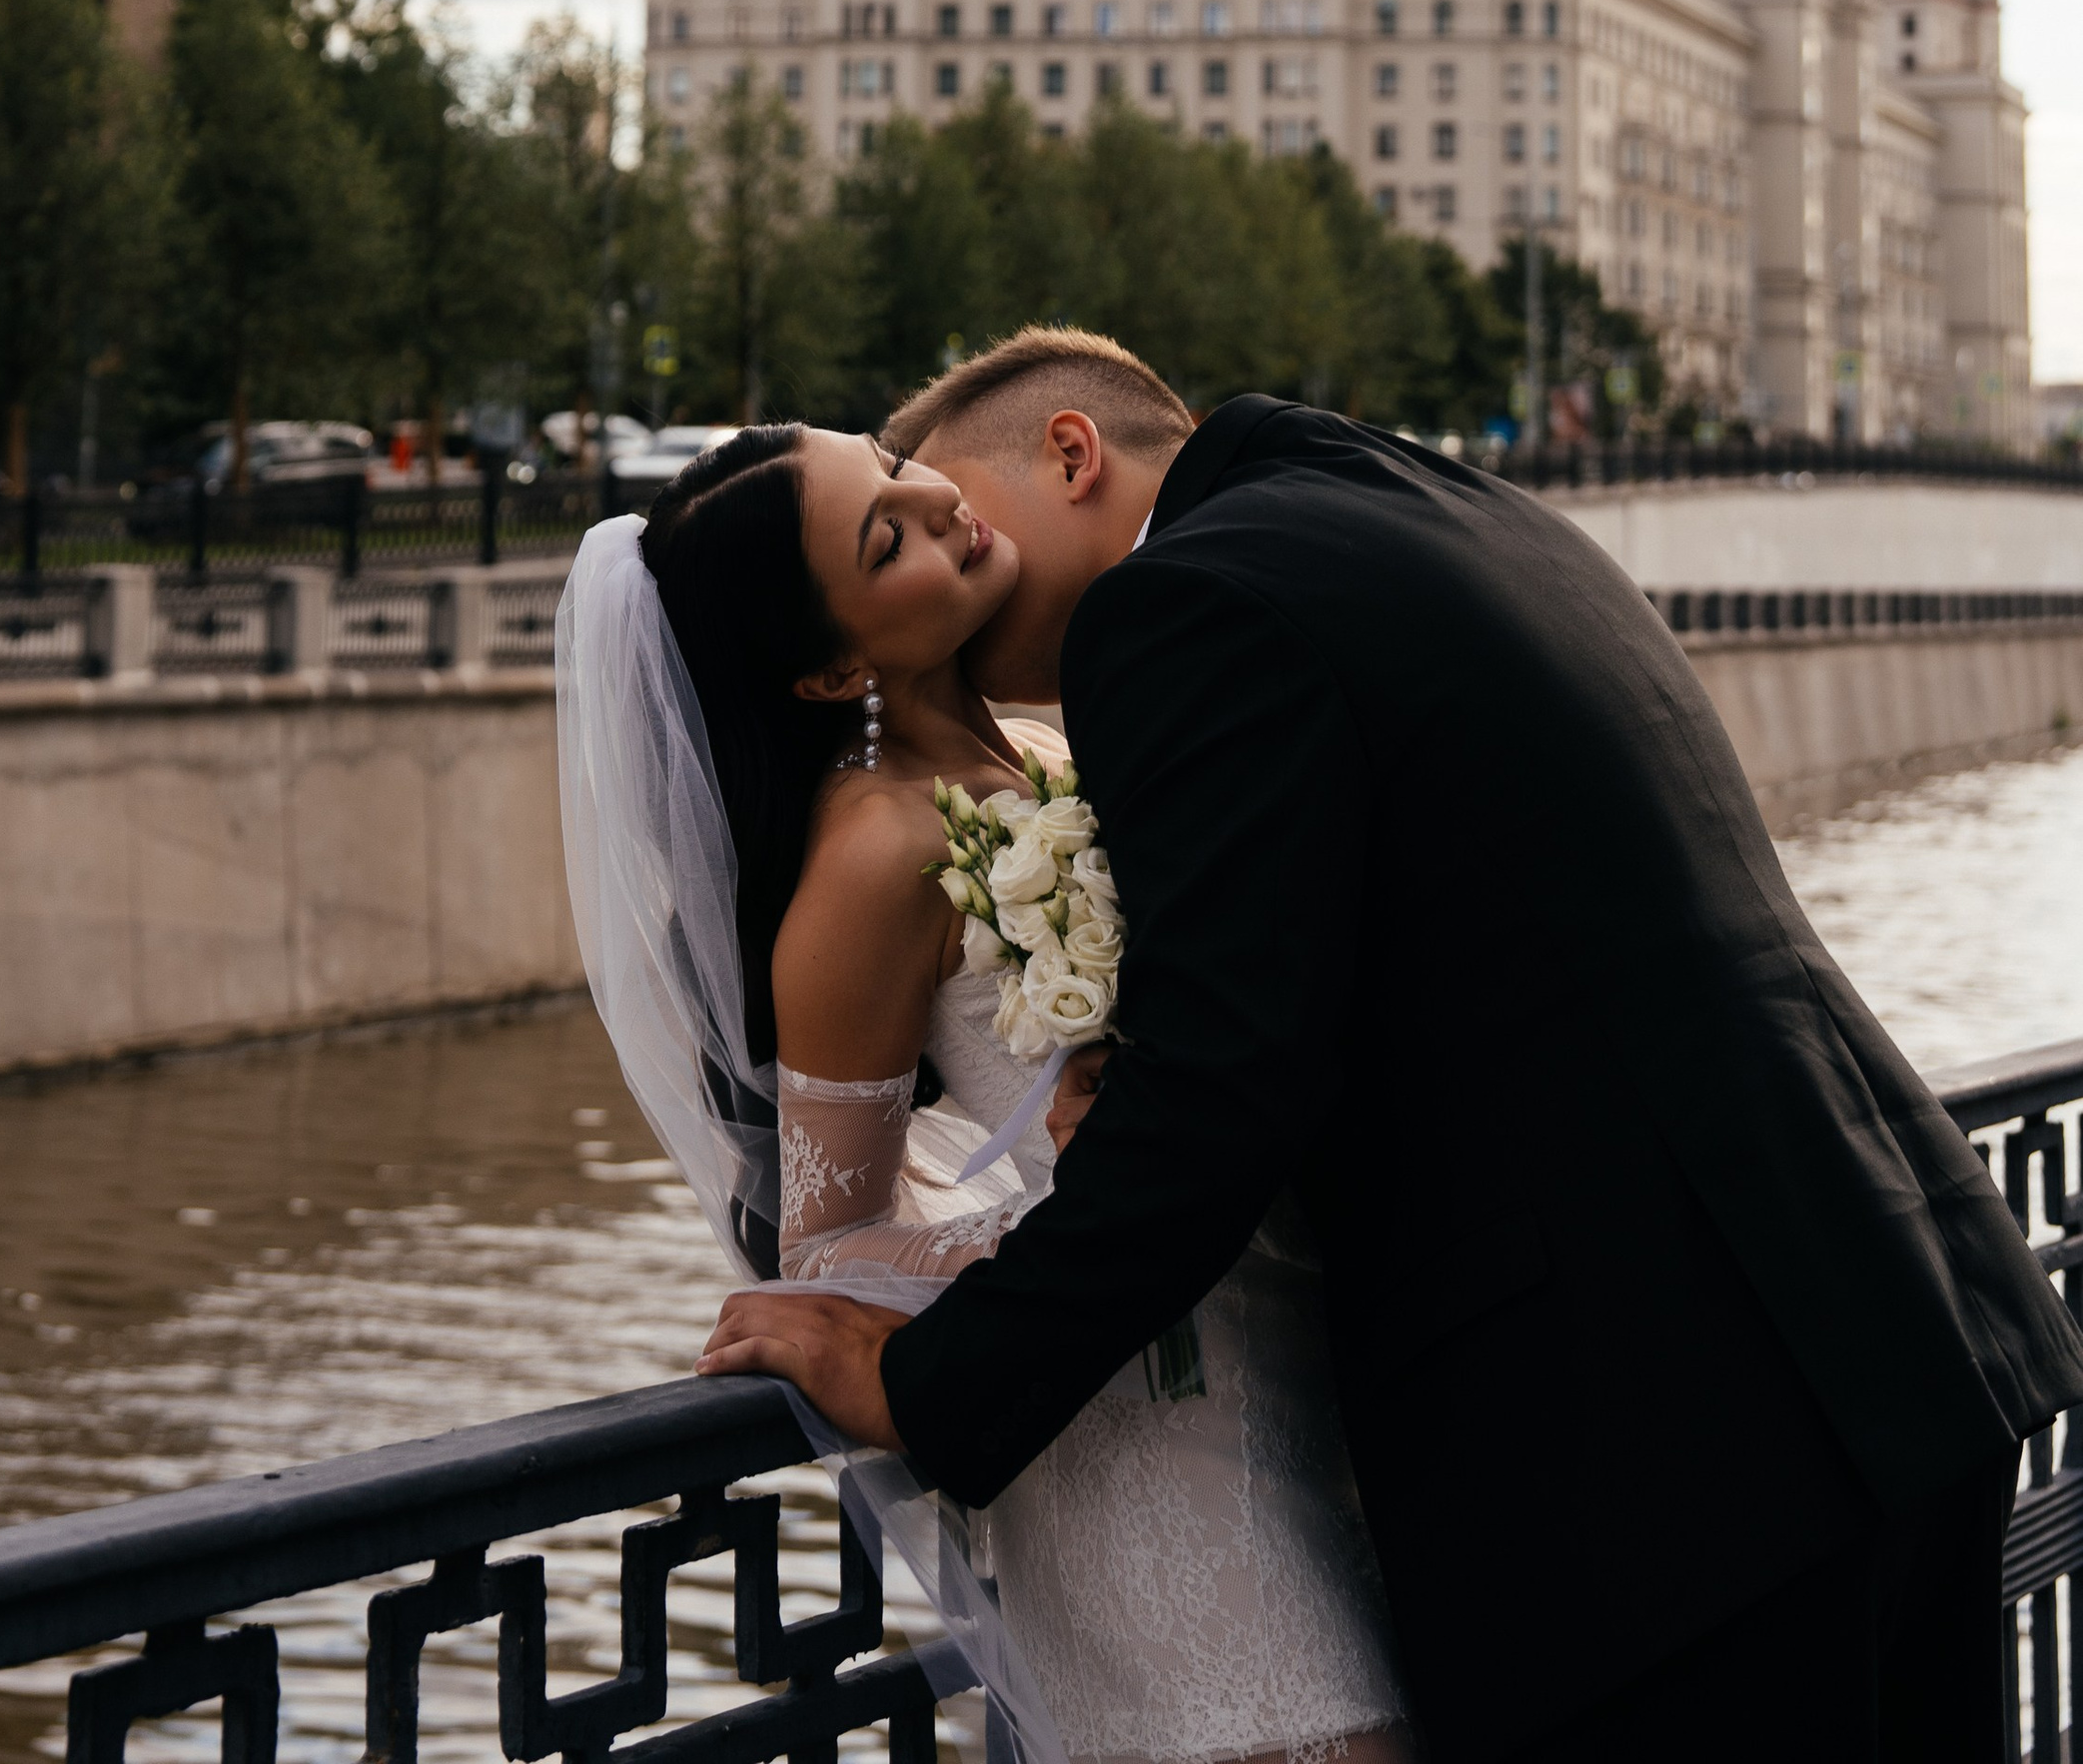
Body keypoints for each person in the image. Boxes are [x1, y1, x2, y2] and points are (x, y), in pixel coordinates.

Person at [700, 336, 2083, 1764]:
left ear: (1072, 455)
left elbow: (1221, 1100)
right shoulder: (1437, 503)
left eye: (961, 507)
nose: (969, 582)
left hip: (1677, 1462)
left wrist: (932, 1388)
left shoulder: (1178, 607)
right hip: (1898, 1328)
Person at [558, 372, 1412, 1764]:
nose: (939, 503)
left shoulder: (1047, 757)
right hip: (1142, 1457)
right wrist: (1067, 1201)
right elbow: (825, 1245)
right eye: (883, 537)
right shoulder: (871, 855)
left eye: (896, 472)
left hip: (1286, 1387)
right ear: (834, 671)